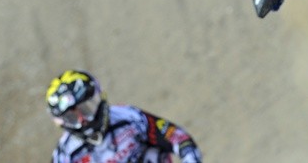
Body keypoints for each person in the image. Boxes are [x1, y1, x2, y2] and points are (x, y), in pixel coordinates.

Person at [46, 69, 203, 163]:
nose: (83, 120)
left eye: (87, 109)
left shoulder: (129, 117)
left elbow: (177, 138)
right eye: (72, 118)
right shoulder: (66, 155)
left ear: (99, 97)